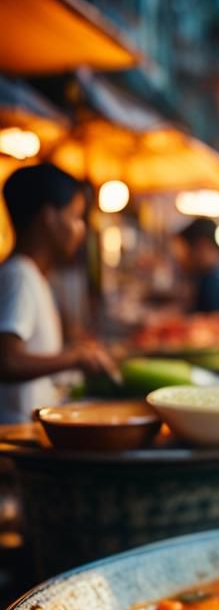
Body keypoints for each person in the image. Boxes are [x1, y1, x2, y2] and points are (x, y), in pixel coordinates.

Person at [0, 163, 117, 423]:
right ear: (49, 218)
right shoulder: (20, 276)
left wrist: (76, 347)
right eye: (75, 217)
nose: (81, 229)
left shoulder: (32, 275)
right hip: (16, 435)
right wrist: (74, 357)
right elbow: (6, 360)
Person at [178, 217, 219, 313]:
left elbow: (213, 321)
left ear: (202, 245)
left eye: (189, 250)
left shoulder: (215, 282)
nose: (187, 257)